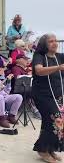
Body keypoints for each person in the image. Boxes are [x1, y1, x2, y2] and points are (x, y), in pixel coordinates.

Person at [31, 33, 64, 162]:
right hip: (42, 95)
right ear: (45, 44)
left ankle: (49, 149)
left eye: (56, 41)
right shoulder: (39, 56)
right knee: (55, 119)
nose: (55, 43)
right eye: (51, 41)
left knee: (53, 122)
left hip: (58, 95)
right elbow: (39, 70)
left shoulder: (60, 56)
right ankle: (42, 149)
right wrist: (58, 68)